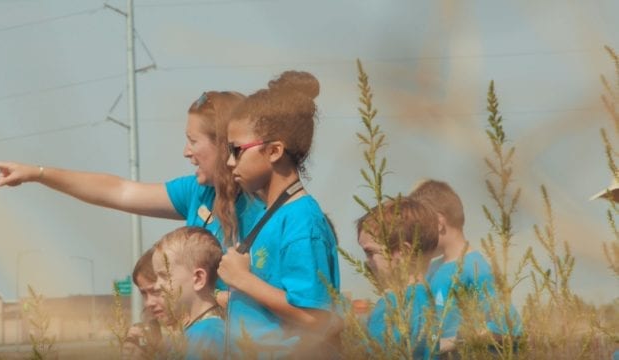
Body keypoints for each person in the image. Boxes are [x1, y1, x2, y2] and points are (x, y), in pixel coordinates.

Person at [0, 91, 265, 304]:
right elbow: (117, 191)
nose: (185, 152)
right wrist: (38, 173)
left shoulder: (261, 209)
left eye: (193, 141)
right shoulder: (197, 192)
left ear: (223, 144)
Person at [216, 70, 341, 357]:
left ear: (274, 151)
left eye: (237, 150)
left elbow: (316, 318)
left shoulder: (302, 219)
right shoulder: (271, 215)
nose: (229, 161)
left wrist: (242, 280)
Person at [409, 179, 522, 352]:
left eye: (420, 230)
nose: (418, 238)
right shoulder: (432, 268)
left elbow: (506, 328)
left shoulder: (474, 269)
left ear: (439, 223)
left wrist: (452, 343)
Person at [356, 197, 440, 358]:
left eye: (370, 253)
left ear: (404, 252)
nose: (367, 263)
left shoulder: (392, 306)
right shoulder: (427, 299)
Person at [152, 226, 225, 359]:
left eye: (164, 275)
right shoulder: (186, 334)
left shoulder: (210, 335)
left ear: (198, 278)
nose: (156, 286)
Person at [123, 248, 164, 359]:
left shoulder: (198, 333)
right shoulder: (149, 330)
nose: (148, 303)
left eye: (156, 291)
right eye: (144, 294)